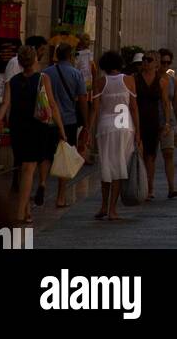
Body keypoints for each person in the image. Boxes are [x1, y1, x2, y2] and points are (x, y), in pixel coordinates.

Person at [0, 45, 66, 226]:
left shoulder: (12, 81)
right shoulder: (43, 78)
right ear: (35, 59)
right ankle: (21, 213)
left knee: (23, 167)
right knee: (29, 168)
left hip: (18, 127)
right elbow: (52, 104)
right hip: (36, 126)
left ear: (19, 62)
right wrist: (61, 129)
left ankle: (27, 210)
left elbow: (5, 104)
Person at [89, 50, 140, 221]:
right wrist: (138, 132)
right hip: (124, 126)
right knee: (119, 166)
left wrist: (87, 131)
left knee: (106, 166)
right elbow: (134, 107)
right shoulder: (129, 80)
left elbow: (95, 109)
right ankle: (112, 209)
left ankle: (104, 205)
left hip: (105, 127)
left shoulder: (100, 82)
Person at [44, 43, 87, 209]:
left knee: (46, 156)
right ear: (70, 56)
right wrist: (86, 123)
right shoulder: (76, 74)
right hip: (68, 121)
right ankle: (61, 197)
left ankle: (42, 184)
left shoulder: (46, 73)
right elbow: (82, 99)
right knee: (64, 158)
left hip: (48, 121)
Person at [134, 52, 170, 201]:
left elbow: (165, 103)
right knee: (138, 154)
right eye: (144, 59)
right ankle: (139, 185)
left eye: (149, 60)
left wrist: (166, 122)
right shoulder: (135, 79)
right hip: (137, 121)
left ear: (156, 63)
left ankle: (149, 187)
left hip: (153, 122)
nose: (145, 62)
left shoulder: (161, 81)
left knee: (150, 156)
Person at [158, 49, 177, 198]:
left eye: (168, 62)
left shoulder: (173, 79)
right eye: (163, 62)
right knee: (150, 156)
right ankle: (150, 189)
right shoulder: (152, 78)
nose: (166, 65)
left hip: (168, 121)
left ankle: (171, 187)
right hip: (154, 119)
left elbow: (175, 102)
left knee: (169, 153)